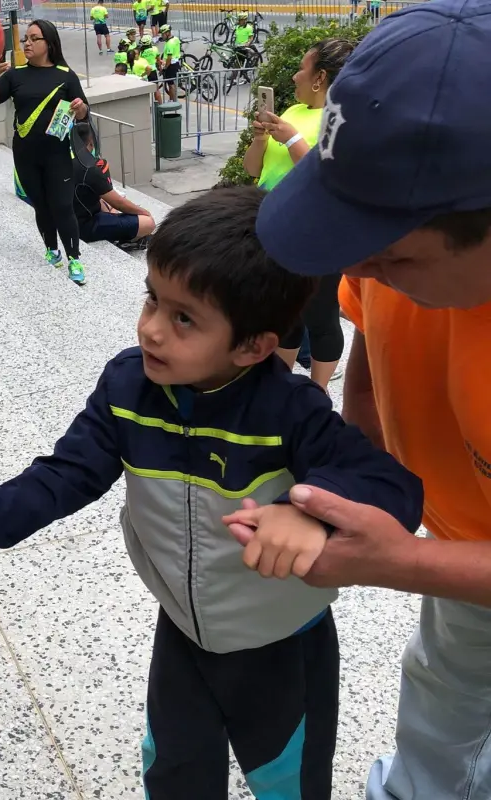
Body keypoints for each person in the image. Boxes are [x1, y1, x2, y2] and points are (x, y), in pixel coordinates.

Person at [0, 186, 423, 799]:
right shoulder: (127, 387)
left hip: (282, 649)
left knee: (288, 781)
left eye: (184, 317)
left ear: (254, 345)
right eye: (152, 300)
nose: (152, 331)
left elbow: (392, 486)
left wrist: (312, 517)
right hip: (183, 636)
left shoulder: (290, 408)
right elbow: (67, 473)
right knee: (174, 774)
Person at [252, 3, 491, 798]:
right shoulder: (398, 253)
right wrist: (353, 470)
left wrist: (402, 561)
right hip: (464, 559)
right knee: (440, 705)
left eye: (391, 254)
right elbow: (367, 359)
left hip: (447, 556)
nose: (364, 268)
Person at [243, 38, 354, 389]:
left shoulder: (341, 120)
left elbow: (327, 177)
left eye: (301, 70)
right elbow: (252, 170)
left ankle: (317, 397)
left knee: (319, 316)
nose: (294, 77)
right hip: (276, 232)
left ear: (320, 77)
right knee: (285, 314)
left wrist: (292, 140)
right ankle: (281, 386)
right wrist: (260, 140)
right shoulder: (291, 113)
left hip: (319, 236)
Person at [0, 20, 89, 285]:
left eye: (33, 39)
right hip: (25, 154)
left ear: (48, 44)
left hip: (57, 154)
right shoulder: (16, 75)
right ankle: (51, 249)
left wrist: (79, 107)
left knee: (62, 205)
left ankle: (74, 258)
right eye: (25, 39)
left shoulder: (66, 76)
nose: (26, 44)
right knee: (40, 204)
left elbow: (85, 111)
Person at [70, 126, 156, 247]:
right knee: (148, 223)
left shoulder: (62, 161)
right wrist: (144, 212)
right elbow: (119, 203)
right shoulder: (89, 168)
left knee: (107, 203)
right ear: (91, 142)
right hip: (84, 227)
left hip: (68, 220)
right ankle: (128, 240)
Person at [158, 24, 181, 101]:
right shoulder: (176, 39)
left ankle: (172, 101)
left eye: (163, 34)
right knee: (172, 84)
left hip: (170, 65)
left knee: (170, 85)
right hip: (176, 63)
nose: (162, 35)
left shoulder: (169, 44)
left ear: (167, 33)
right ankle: (173, 100)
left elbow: (169, 58)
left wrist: (165, 68)